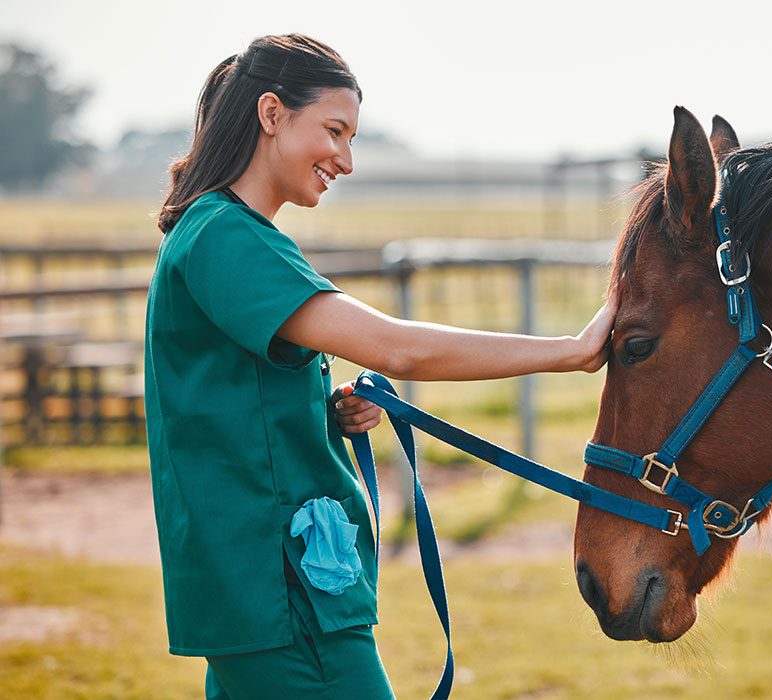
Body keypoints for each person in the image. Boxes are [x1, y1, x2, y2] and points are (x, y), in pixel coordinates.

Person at [147, 34, 615, 699]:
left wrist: (327, 408)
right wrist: (571, 351)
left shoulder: (221, 232)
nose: (346, 158)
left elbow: (235, 396)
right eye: (334, 131)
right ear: (272, 114)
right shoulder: (226, 235)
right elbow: (401, 348)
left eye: (353, 137)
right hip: (281, 592)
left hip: (262, 586)